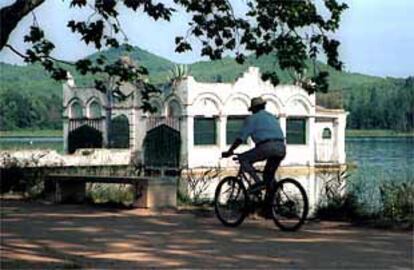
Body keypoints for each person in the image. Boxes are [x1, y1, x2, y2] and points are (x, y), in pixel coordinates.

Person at [222, 96, 286, 207]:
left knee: (243, 159)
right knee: (268, 177)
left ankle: (258, 183)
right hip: (281, 147)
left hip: (266, 146)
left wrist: (230, 151)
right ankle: (269, 209)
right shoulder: (272, 117)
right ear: (263, 107)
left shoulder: (252, 119)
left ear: (254, 109)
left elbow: (240, 138)